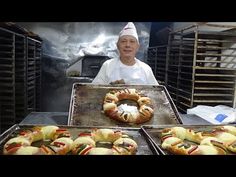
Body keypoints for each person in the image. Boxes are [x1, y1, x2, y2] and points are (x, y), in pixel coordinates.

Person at [92, 22, 159, 85]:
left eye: (132, 41)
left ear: (137, 47)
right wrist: (111, 87)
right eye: (123, 41)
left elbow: (156, 92)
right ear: (118, 46)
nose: (127, 45)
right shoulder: (108, 65)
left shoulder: (146, 69)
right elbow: (94, 89)